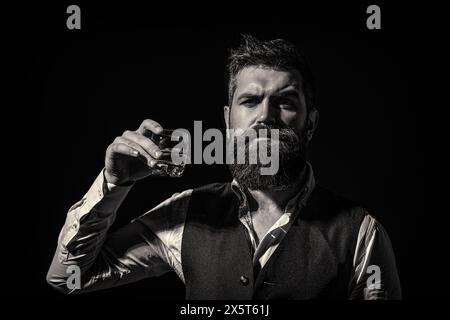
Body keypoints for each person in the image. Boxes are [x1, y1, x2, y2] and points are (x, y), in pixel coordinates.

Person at [47, 34, 401, 299]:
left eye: (285, 102)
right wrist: (114, 183)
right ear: (229, 120)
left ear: (310, 123)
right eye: (250, 101)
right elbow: (69, 276)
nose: (266, 116)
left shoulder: (360, 234)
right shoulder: (187, 214)